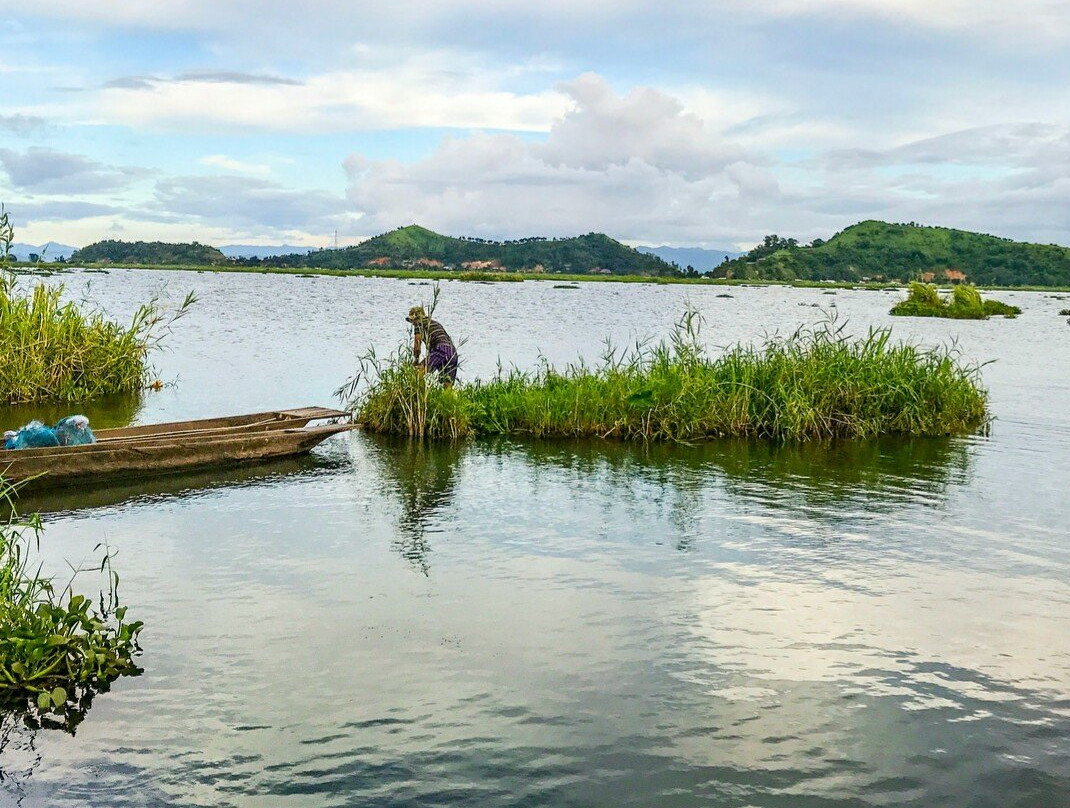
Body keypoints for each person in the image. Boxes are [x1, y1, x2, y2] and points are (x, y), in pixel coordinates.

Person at [406, 305, 458, 386]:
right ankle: (448, 398)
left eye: (411, 321)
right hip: (452, 352)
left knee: (419, 371)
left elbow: (417, 344)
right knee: (447, 384)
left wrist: (416, 360)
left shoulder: (419, 323)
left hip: (441, 349)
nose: (412, 324)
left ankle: (420, 395)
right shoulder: (435, 323)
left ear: (415, 318)